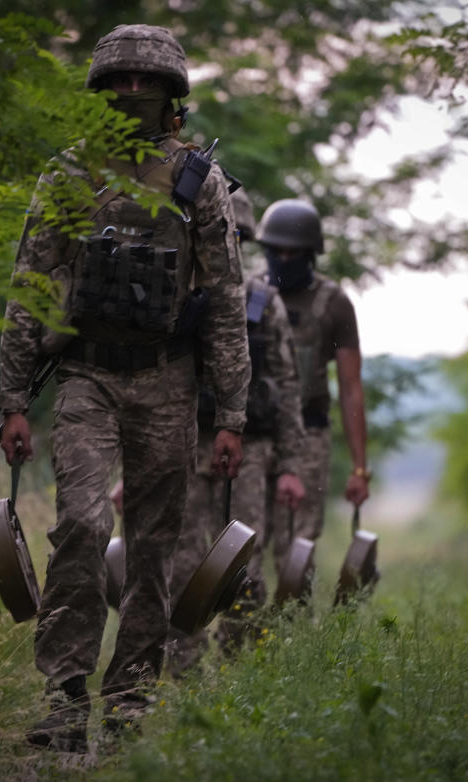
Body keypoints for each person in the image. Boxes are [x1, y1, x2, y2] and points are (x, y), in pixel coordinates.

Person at [0, 24, 249, 753]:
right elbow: (31, 286)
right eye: (121, 79)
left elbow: (227, 303)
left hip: (168, 382)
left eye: (148, 80)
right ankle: (66, 695)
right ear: (102, 89)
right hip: (86, 376)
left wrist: (229, 413)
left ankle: (132, 698)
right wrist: (13, 399)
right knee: (79, 522)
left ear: (172, 92)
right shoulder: (70, 173)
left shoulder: (200, 182)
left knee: (155, 547)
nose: (134, 91)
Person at [165, 188, 306, 673]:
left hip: (250, 451)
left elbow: (287, 388)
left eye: (236, 235)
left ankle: (238, 671)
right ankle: (180, 671)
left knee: (243, 563)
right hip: (186, 441)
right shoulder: (178, 293)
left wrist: (289, 466)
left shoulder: (265, 303)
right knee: (180, 560)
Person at [254, 199, 372, 575]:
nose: (284, 259)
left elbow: (351, 388)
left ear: (310, 254)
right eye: (276, 251)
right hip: (254, 432)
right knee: (245, 541)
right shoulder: (249, 294)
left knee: (298, 547)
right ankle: (241, 632)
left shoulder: (333, 303)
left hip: (309, 434)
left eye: (293, 252)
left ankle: (291, 630)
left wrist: (359, 468)